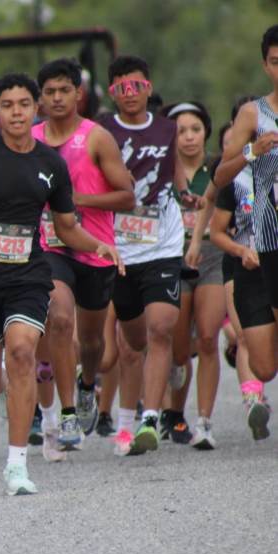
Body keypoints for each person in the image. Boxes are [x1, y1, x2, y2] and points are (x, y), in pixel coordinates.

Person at [0, 73, 122, 495]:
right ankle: (7, 386)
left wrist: (99, 246)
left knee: (21, 352)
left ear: (35, 108)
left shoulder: (51, 163)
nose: (16, 112)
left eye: (23, 104)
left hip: (27, 277)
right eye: (7, 105)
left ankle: (17, 465)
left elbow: (66, 228)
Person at [31, 58, 134, 454]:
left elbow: (126, 196)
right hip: (49, 247)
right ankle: (68, 412)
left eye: (64, 91)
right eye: (49, 92)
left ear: (79, 94)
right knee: (58, 316)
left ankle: (88, 382)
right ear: (40, 98)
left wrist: (77, 200)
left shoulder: (96, 137)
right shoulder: (31, 139)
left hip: (95, 248)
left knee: (92, 344)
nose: (57, 98)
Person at [98, 55, 199, 457]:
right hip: (119, 244)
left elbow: (173, 172)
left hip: (163, 241)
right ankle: (125, 421)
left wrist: (184, 192)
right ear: (113, 93)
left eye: (137, 86)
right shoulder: (102, 131)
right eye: (122, 88)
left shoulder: (166, 128)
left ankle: (150, 419)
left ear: (148, 87)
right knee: (131, 342)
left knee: (160, 328)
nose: (131, 94)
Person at [214, 24, 278, 382]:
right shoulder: (253, 115)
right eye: (276, 61)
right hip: (263, 243)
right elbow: (221, 176)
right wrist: (251, 152)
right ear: (266, 65)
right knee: (264, 367)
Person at [162, 101, 223, 447]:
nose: (187, 137)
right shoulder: (161, 170)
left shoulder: (218, 168)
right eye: (179, 131)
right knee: (179, 346)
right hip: (173, 259)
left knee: (209, 338)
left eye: (195, 130)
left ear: (206, 132)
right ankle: (174, 413)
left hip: (212, 258)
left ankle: (204, 422)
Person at [209, 113, 271, 442]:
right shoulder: (233, 178)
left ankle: (254, 394)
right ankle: (253, 398)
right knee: (249, 343)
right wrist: (240, 250)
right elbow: (215, 229)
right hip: (243, 265)